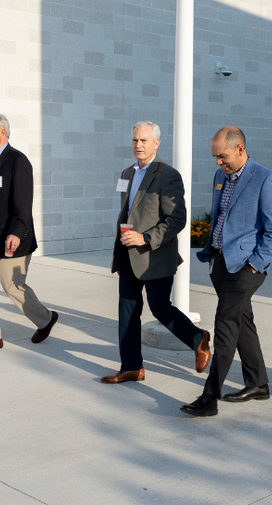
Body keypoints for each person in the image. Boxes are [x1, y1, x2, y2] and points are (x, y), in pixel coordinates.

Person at [181, 127, 272, 417]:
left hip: (246, 268)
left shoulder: (266, 179)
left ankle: (209, 397)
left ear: (240, 149)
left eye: (222, 156)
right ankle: (258, 383)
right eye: (215, 156)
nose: (217, 162)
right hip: (220, 264)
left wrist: (255, 264)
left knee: (225, 325)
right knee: (243, 321)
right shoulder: (220, 177)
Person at [102, 121, 211, 384]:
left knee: (160, 308)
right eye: (135, 140)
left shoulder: (167, 174)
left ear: (156, 143)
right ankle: (131, 367)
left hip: (156, 255)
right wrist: (119, 254)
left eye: (144, 141)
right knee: (127, 311)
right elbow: (124, 215)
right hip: (128, 255)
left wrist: (146, 237)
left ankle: (199, 338)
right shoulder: (127, 173)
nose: (138, 145)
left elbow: (177, 219)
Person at [0, 113, 58, 351]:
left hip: (8, 240)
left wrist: (16, 233)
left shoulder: (17, 161)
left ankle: (46, 319)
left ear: (2, 132)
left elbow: (23, 204)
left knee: (13, 287)